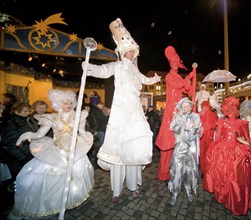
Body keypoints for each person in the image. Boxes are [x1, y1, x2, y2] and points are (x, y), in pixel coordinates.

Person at [82, 18, 161, 203]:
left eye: (134, 51)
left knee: (133, 152)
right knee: (117, 154)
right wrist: (89, 68)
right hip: (120, 113)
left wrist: (155, 79)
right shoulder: (117, 66)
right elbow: (103, 71)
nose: (132, 53)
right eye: (129, 51)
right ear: (123, 52)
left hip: (134, 113)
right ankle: (116, 191)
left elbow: (145, 80)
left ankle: (133, 186)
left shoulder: (135, 71)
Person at [7, 89, 94, 219]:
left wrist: (87, 138)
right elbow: (40, 134)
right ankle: (53, 204)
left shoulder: (78, 116)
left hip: (74, 152)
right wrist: (29, 134)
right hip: (57, 153)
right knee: (49, 180)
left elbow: (81, 131)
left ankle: (67, 201)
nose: (68, 106)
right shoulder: (52, 118)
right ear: (58, 104)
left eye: (70, 103)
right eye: (65, 103)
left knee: (73, 180)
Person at [203, 96, 251, 216]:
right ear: (225, 110)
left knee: (235, 176)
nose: (230, 112)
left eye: (233, 109)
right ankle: (223, 195)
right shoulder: (221, 122)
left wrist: (243, 143)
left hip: (238, 152)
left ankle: (234, 197)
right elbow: (218, 137)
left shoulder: (243, 123)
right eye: (228, 110)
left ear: (237, 111)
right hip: (223, 151)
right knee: (223, 174)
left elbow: (247, 139)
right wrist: (216, 149)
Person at [155, 45, 196, 181]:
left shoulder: (178, 76)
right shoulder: (169, 77)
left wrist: (192, 78)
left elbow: (187, 89)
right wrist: (189, 76)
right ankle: (164, 173)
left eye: (176, 62)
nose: (174, 64)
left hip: (180, 113)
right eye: (172, 61)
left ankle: (177, 171)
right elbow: (179, 85)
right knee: (168, 145)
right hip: (171, 114)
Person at [168, 97, 203, 206]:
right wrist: (180, 120)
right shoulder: (177, 116)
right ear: (181, 108)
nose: (186, 108)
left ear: (191, 107)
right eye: (184, 106)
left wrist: (195, 129)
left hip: (191, 146)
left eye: (188, 106)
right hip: (180, 145)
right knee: (177, 169)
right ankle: (175, 192)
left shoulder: (196, 116)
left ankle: (188, 188)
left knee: (190, 169)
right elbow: (171, 127)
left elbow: (200, 130)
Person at [198, 100, 218, 174]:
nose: (205, 108)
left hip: (207, 135)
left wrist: (207, 127)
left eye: (206, 107)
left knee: (205, 151)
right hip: (204, 135)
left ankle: (206, 167)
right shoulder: (200, 114)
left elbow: (216, 124)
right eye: (204, 107)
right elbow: (216, 124)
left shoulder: (212, 114)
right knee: (204, 151)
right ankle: (205, 167)